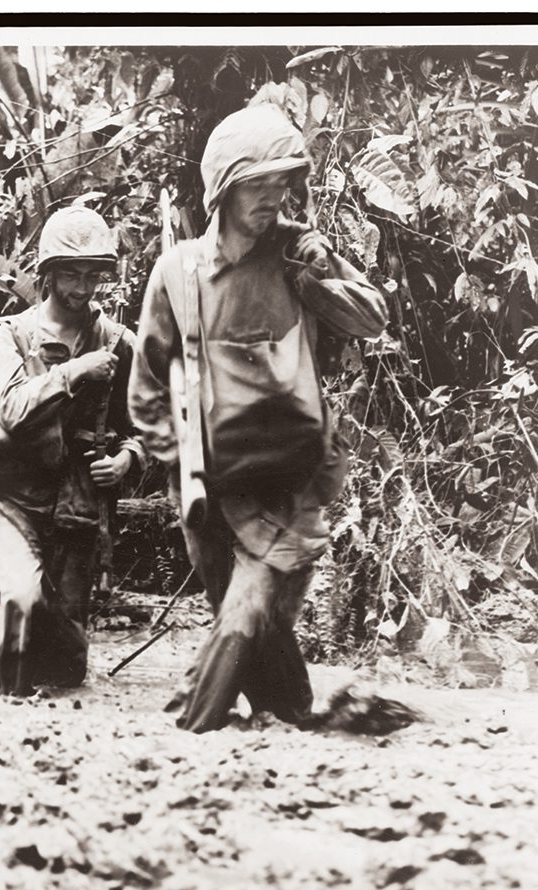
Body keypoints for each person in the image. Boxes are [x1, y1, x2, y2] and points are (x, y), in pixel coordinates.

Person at [128, 103, 389, 732]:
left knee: (245, 613)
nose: (273, 198)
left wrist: (318, 275)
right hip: (210, 488)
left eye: (282, 184)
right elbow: (145, 388)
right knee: (253, 623)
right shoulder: (178, 273)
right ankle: (298, 714)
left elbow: (373, 320)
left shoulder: (299, 256)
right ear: (222, 189)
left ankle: (189, 727)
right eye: (258, 184)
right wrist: (180, 462)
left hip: (290, 482)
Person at [0, 206, 145, 696]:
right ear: (46, 274)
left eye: (93, 275)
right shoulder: (9, 336)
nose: (84, 288)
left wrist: (127, 459)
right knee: (18, 603)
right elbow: (12, 409)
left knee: (67, 667)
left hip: (77, 506)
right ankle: (4, 716)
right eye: (71, 273)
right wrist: (76, 371)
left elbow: (143, 425)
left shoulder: (117, 342)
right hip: (12, 497)